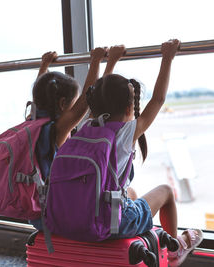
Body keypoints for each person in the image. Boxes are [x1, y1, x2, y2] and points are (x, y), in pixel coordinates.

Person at [85, 39, 203, 267]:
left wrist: (111, 62)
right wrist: (167, 57)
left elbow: (99, 95)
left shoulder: (85, 128)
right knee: (166, 192)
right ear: (130, 108)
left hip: (82, 215)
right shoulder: (126, 132)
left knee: (130, 192)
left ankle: (142, 242)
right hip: (109, 223)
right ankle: (174, 251)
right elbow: (158, 99)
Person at [30, 45, 126, 230]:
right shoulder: (56, 129)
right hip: (52, 214)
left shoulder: (32, 122)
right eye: (71, 103)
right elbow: (88, 98)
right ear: (63, 104)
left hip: (36, 211)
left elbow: (38, 93)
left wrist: (44, 65)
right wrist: (98, 60)